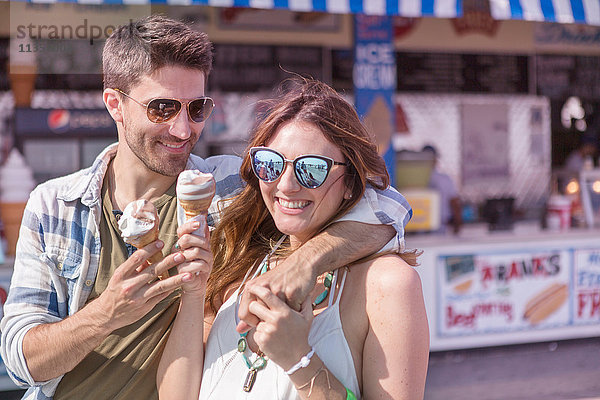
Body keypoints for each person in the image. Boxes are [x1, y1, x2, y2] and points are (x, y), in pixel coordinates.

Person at [0, 16, 412, 400]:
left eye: (196, 108)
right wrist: (105, 315)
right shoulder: (56, 206)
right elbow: (21, 360)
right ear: (114, 104)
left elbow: (384, 207)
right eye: (162, 108)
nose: (184, 129)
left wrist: (303, 264)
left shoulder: (232, 189)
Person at [157, 79, 429, 399]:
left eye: (311, 169)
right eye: (270, 164)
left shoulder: (387, 284)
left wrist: (299, 358)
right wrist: (193, 291)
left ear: (350, 182)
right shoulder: (238, 259)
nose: (285, 186)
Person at [422, 145, 462, 234]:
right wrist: (458, 225)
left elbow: (454, 202)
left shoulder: (414, 179)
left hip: (433, 226)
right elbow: (454, 203)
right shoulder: (444, 179)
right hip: (437, 227)